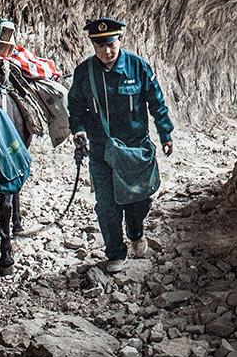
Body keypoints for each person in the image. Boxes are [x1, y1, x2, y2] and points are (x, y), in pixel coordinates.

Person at [67, 17, 174, 272]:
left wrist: (165, 133)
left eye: (111, 45)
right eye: (100, 45)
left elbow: (156, 102)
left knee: (141, 201)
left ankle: (136, 231)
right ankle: (115, 252)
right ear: (93, 45)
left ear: (120, 41)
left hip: (136, 148)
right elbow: (75, 108)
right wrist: (79, 131)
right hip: (102, 151)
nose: (106, 51)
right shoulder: (85, 73)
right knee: (107, 205)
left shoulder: (138, 67)